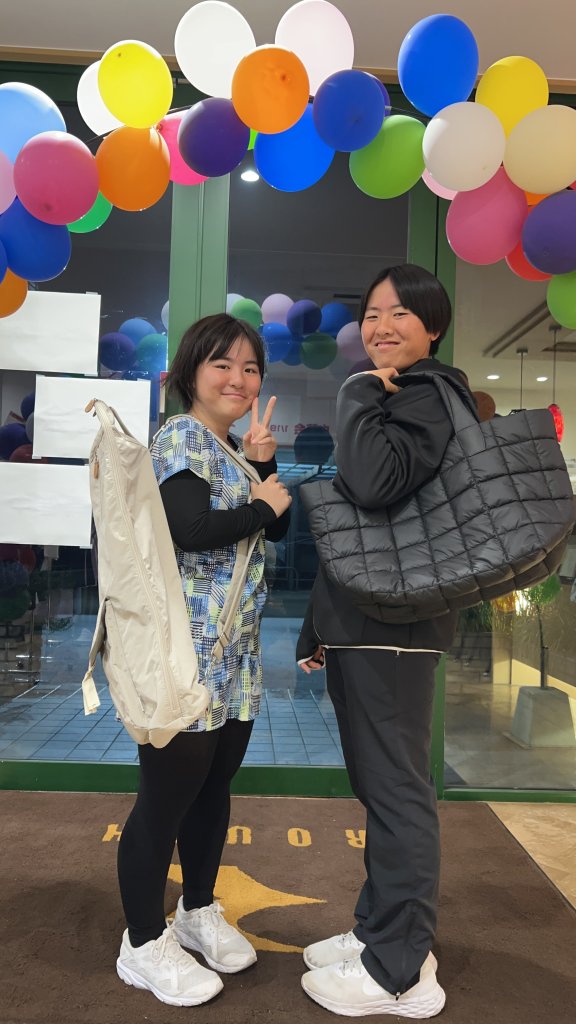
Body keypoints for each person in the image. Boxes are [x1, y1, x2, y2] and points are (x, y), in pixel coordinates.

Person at [297, 264, 472, 1018]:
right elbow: (365, 526)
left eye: (401, 313)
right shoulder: (398, 396)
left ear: (433, 326)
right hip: (372, 623)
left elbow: (368, 485)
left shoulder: (426, 393)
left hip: (393, 627)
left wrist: (354, 393)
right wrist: (321, 627)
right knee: (383, 789)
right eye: (372, 313)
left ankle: (400, 970)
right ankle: (381, 930)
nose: (381, 326)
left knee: (398, 793)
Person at [115, 313, 291, 1007]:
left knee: (213, 790)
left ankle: (195, 909)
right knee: (165, 800)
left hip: (235, 656)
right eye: (223, 364)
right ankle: (140, 942)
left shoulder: (232, 449)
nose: (239, 379)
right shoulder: (180, 438)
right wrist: (261, 503)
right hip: (186, 655)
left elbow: (277, 521)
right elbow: (189, 530)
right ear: (190, 372)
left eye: (250, 368)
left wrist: (265, 463)